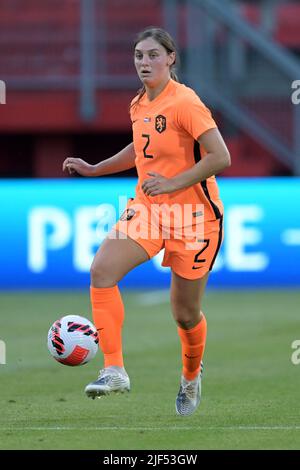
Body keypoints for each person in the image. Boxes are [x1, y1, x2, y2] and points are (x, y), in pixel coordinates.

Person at [63, 27, 230, 416]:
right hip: (150, 209)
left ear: (171, 58)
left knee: (184, 314)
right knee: (101, 270)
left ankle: (190, 376)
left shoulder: (186, 102)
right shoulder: (139, 102)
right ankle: (114, 369)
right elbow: (139, 150)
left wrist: (172, 182)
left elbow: (220, 156)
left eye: (153, 55)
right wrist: (95, 168)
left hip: (194, 218)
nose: (144, 62)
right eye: (139, 55)